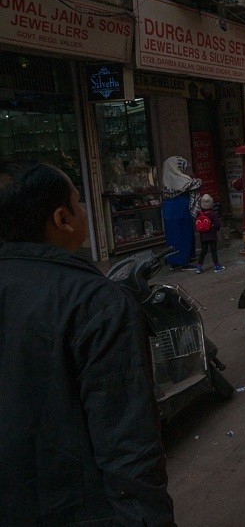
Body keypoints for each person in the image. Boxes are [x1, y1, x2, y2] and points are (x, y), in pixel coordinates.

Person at [0, 162, 175, 525]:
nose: (83, 213)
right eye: (78, 204)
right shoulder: (97, 303)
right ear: (62, 219)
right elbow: (127, 447)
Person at [162, 155, 201, 269]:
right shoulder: (179, 178)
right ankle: (182, 261)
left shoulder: (167, 178)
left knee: (172, 236)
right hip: (180, 208)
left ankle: (174, 261)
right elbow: (195, 183)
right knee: (183, 234)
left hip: (168, 210)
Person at [195, 193, 225, 274]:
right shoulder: (212, 214)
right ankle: (216, 266)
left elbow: (197, 225)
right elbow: (217, 225)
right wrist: (213, 229)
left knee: (203, 251)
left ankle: (199, 267)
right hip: (212, 236)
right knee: (213, 251)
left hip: (203, 237)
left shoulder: (199, 214)